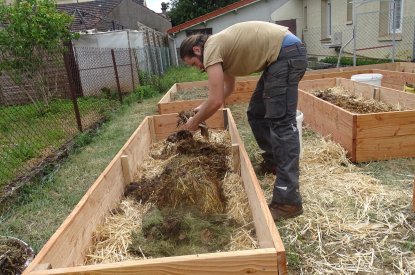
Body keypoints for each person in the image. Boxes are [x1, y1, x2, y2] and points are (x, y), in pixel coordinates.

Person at [179, 21, 307, 221]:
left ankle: (288, 201)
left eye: (195, 63)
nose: (199, 68)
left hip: (285, 55)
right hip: (281, 56)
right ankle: (274, 162)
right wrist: (201, 109)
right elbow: (226, 90)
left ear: (197, 49)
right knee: (256, 112)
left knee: (281, 124)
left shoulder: (211, 48)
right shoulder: (219, 48)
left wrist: (194, 123)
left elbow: (217, 100)